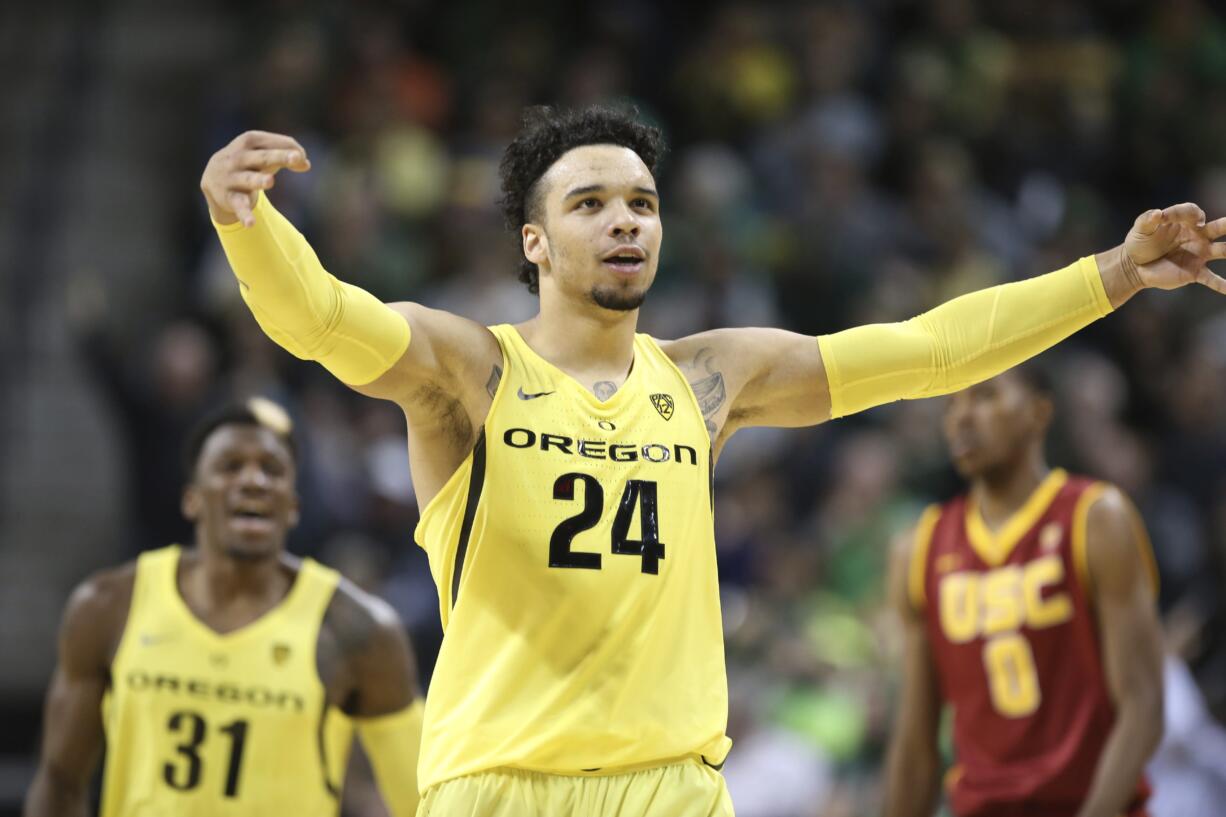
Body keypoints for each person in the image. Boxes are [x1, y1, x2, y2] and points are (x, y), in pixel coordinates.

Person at [198, 105, 1223, 815]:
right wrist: (247, 228)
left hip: (672, 784)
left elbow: (927, 352)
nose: (624, 221)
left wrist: (1115, 273)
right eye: (589, 203)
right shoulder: (472, 370)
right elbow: (327, 320)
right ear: (534, 245)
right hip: (498, 780)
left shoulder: (707, 377)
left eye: (641, 203)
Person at [24, 398, 424, 817]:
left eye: (272, 470)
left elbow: (426, 800)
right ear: (192, 500)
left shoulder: (357, 629)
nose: (254, 481)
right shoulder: (109, 606)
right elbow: (59, 779)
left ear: (293, 507)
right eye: (231, 466)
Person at [883, 366, 1164, 817]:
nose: (962, 418)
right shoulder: (918, 547)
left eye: (986, 397)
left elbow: (1144, 705)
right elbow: (915, 743)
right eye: (952, 404)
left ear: (1039, 413)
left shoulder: (1096, 518)